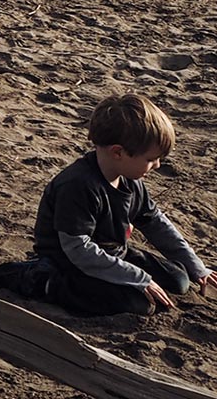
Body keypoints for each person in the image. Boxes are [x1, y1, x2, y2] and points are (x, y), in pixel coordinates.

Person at [19, 93, 213, 315]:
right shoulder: (78, 185)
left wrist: (197, 267)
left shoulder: (130, 181)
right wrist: (139, 279)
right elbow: (78, 250)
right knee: (138, 304)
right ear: (118, 152)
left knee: (179, 280)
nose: (157, 165)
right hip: (67, 264)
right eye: (151, 159)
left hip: (112, 254)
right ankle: (40, 281)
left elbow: (156, 223)